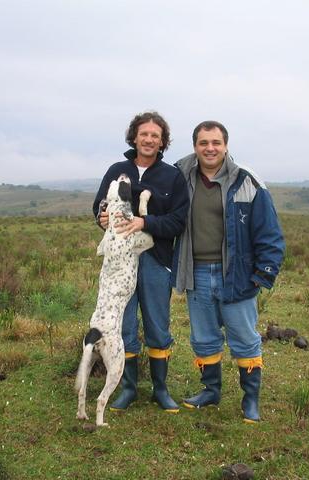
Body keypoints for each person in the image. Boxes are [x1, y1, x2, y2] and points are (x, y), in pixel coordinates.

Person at [173, 120, 285, 423]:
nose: (210, 148)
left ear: (225, 146)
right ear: (195, 146)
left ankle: (251, 399)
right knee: (204, 337)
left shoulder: (248, 182)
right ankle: (211, 390)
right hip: (194, 272)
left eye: (216, 143)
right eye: (203, 143)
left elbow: (270, 233)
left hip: (235, 274)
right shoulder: (180, 177)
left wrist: (262, 275)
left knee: (244, 338)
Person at [93, 111, 189, 413]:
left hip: (156, 260)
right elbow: (100, 206)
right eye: (144, 134)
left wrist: (144, 222)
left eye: (155, 136)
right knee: (124, 325)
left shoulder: (172, 176)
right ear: (134, 137)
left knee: (158, 327)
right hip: (120, 263)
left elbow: (178, 220)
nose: (149, 140)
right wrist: (101, 217)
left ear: (162, 143)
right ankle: (128, 388)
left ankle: (161, 390)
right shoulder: (117, 169)